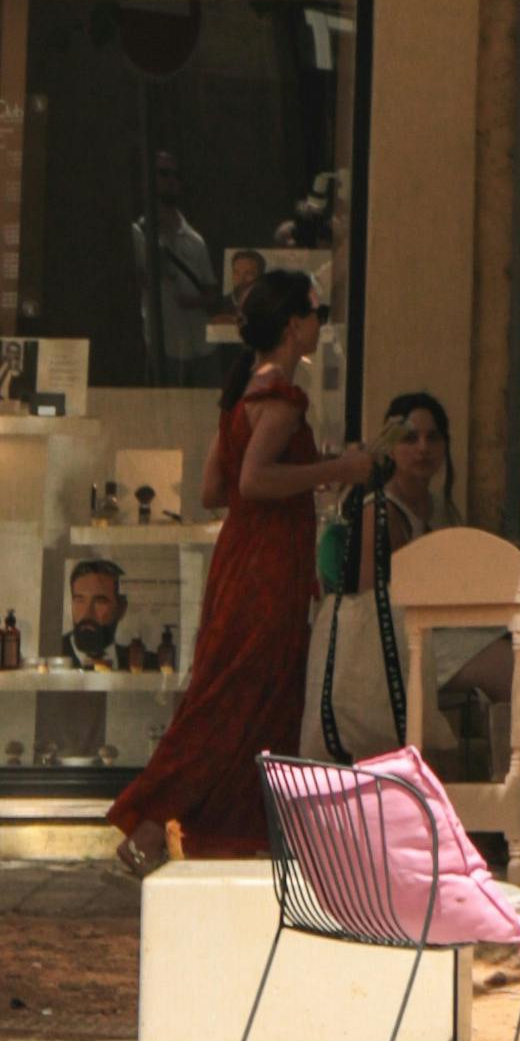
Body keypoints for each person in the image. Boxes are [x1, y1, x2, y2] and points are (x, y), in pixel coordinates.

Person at [111, 276, 387, 871]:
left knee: (231, 690)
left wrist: (316, 470)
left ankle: (227, 832)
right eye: (315, 313)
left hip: (240, 558)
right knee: (245, 693)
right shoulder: (283, 401)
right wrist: (337, 466)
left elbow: (215, 489)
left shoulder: (241, 396)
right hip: (268, 566)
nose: (319, 324)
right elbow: (253, 481)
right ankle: (157, 823)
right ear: (294, 325)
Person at [299, 385, 455, 762]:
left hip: (446, 630)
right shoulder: (378, 510)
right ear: (391, 447)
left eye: (432, 437)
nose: (422, 448)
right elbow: (371, 598)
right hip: (412, 642)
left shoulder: (441, 508)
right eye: (410, 438)